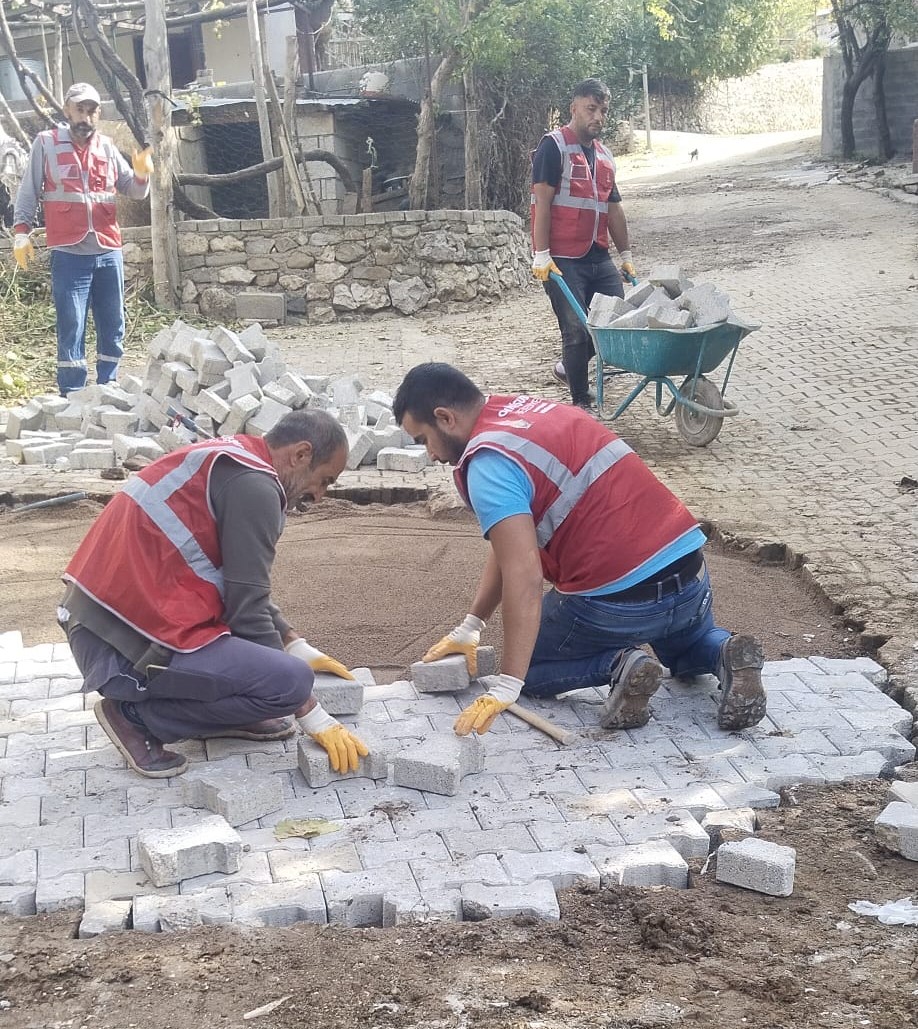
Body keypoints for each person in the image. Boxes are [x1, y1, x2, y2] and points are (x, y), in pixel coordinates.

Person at [393, 363, 766, 737]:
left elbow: (523, 573)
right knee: (685, 649)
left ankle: (621, 665)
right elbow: (512, 545)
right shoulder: (529, 412)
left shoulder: (487, 465)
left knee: (529, 664)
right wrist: (471, 625)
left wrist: (509, 682)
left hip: (620, 602)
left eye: (423, 439)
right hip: (689, 574)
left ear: (444, 418)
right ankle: (724, 653)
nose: (430, 455)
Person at [57, 409, 368, 779]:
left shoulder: (236, 457)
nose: (319, 495)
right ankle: (135, 718)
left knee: (273, 674)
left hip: (104, 628)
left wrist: (293, 641)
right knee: (290, 682)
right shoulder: (257, 488)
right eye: (325, 480)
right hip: (121, 651)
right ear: (301, 455)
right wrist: (309, 709)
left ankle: (221, 714)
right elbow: (246, 610)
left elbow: (238, 583)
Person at [12, 82, 153, 396]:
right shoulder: (45, 144)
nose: (85, 117)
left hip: (107, 249)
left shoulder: (106, 145)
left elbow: (134, 191)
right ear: (67, 110)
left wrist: (142, 173)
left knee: (113, 321)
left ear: (97, 114)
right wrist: (21, 233)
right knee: (72, 323)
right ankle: (73, 394)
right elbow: (28, 192)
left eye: (91, 111)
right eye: (80, 109)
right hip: (69, 251)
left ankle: (108, 386)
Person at [531, 78, 636, 411]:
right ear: (574, 107)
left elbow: (613, 208)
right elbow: (542, 203)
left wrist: (627, 255)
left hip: (597, 254)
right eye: (591, 109)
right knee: (576, 329)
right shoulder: (554, 147)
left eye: (603, 111)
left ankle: (568, 366)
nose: (598, 117)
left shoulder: (605, 156)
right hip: (562, 259)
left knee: (615, 321)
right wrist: (541, 254)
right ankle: (580, 400)